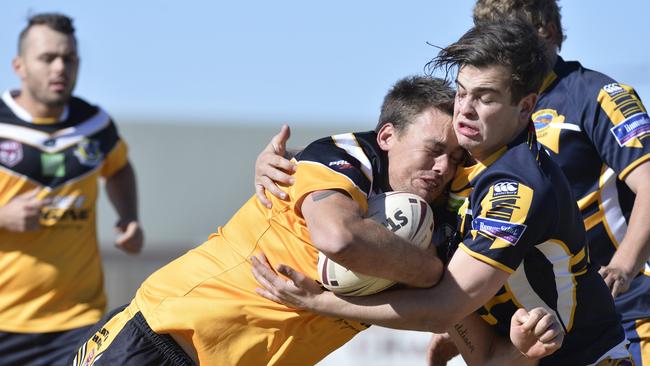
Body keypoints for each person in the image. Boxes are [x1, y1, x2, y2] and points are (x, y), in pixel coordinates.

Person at [69, 75, 559, 366]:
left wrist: (525, 348)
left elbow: (488, 355)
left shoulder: (435, 228)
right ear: (386, 135)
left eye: (455, 158)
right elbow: (339, 237)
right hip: (158, 342)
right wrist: (432, 275)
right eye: (433, 151)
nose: (443, 169)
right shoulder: (341, 157)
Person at [251, 18, 633, 365]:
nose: (465, 109)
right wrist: (290, 161)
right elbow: (385, 150)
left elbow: (443, 308)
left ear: (525, 107)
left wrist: (325, 303)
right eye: (462, 92)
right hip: (503, 353)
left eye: (485, 97)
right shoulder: (457, 159)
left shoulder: (515, 188)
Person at [467, 1, 650, 364]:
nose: (499, 50)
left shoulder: (598, 96)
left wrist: (622, 269)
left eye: (510, 39)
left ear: (546, 31)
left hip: (627, 312)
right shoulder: (493, 110)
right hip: (547, 322)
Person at [0, 13, 143, 365]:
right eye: (48, 58)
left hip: (78, 320)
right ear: (19, 65)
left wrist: (129, 217)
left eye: (69, 58)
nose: (60, 68)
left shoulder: (94, 124)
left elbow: (119, 168)